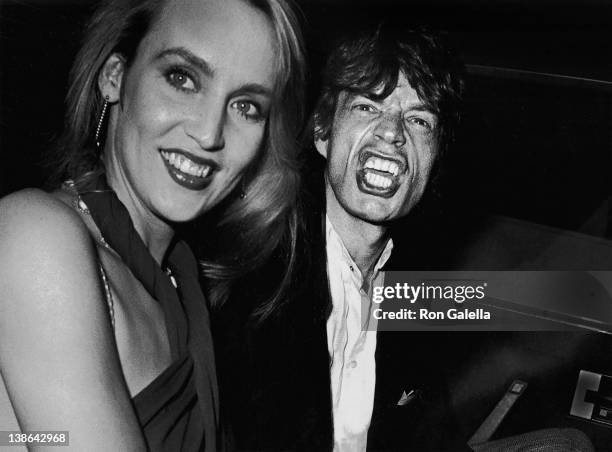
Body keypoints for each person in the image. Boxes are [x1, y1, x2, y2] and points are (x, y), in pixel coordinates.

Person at [0, 0, 305, 450]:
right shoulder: (36, 238)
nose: (209, 133)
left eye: (246, 106)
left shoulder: (183, 286)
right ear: (115, 77)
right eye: (182, 79)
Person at [213, 24, 464, 451]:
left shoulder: (421, 292)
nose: (393, 131)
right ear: (323, 134)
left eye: (419, 120)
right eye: (368, 107)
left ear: (433, 162)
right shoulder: (254, 270)